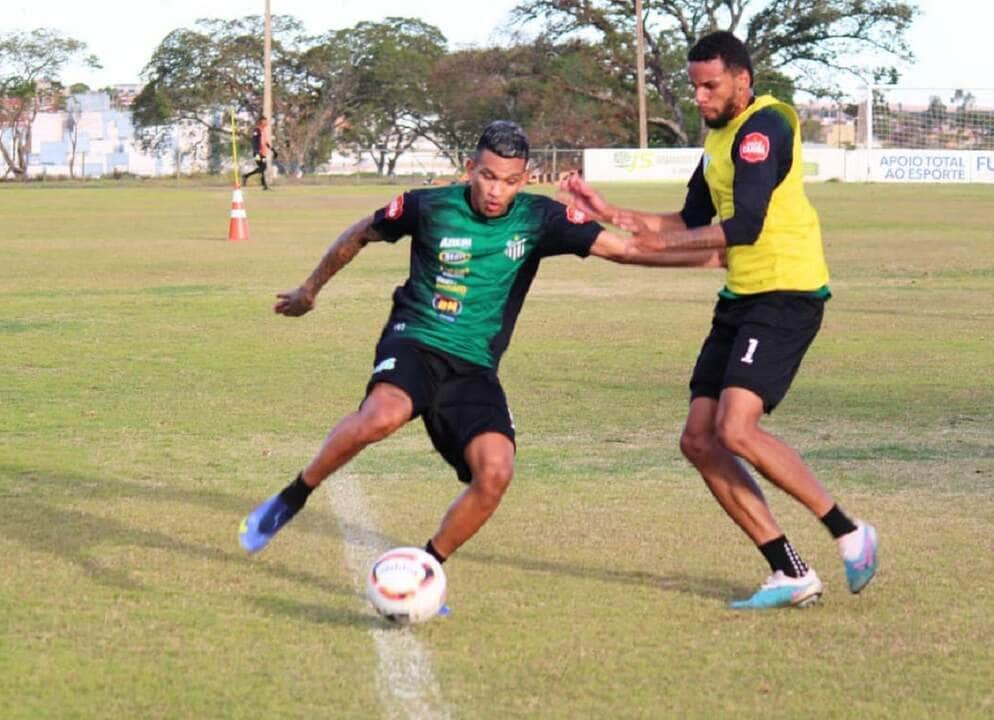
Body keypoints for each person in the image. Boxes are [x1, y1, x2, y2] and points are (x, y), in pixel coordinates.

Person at [238, 121, 720, 573]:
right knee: (381, 417)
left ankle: (426, 569)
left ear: (524, 178)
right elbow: (361, 231)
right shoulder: (427, 206)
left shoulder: (540, 218)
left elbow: (626, 251)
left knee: (495, 473)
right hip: (416, 341)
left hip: (474, 367)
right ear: (470, 169)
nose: (495, 190)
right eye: (487, 176)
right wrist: (309, 290)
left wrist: (712, 259)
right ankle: (294, 496)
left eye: (509, 181)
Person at [561, 31, 878, 609]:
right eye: (695, 88)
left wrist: (654, 250)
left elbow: (746, 226)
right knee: (700, 440)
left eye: (711, 86)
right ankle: (789, 571)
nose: (701, 98)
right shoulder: (716, 141)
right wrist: (611, 212)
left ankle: (850, 532)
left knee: (736, 430)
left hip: (787, 292)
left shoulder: (765, 127)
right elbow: (686, 218)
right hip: (740, 298)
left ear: (741, 79)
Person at [242, 116, 276, 190]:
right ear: (261, 121)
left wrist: (273, 150)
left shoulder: (263, 130)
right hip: (257, 154)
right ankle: (247, 176)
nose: (267, 122)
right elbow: (254, 141)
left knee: (263, 168)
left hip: (263, 154)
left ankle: (264, 185)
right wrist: (256, 151)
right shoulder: (257, 130)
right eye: (265, 121)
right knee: (263, 167)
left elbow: (266, 142)